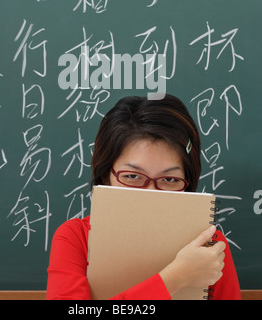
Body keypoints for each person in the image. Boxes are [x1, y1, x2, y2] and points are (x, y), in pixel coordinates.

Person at [46, 94, 241, 300]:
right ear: (105, 175)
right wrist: (175, 278)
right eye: (132, 176)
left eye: (170, 180)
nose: (151, 193)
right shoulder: (75, 237)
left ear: (187, 183)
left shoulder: (210, 247)